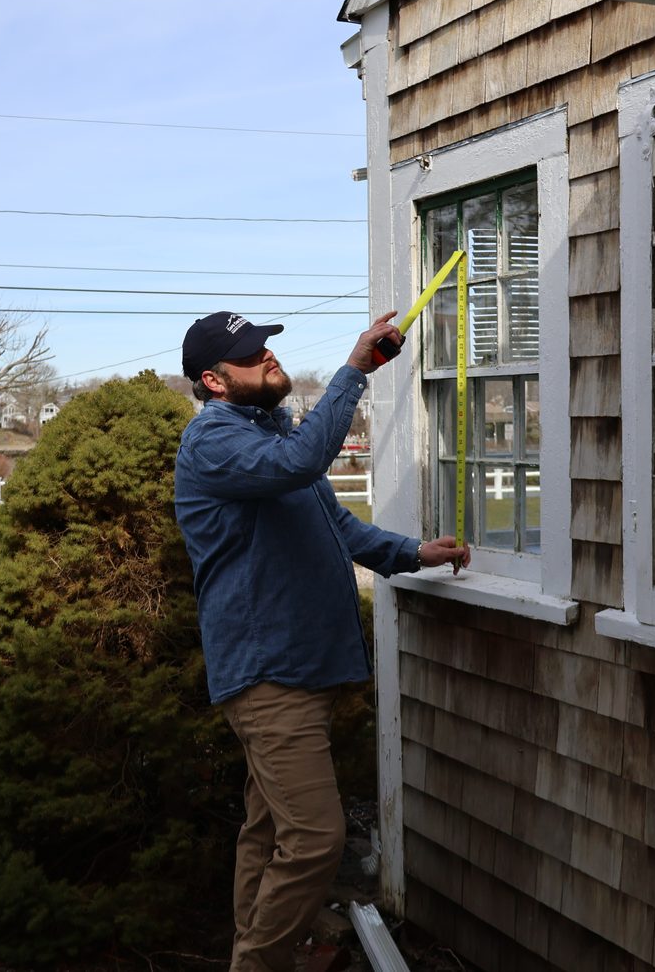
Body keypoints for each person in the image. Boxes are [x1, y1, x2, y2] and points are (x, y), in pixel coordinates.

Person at [173, 309, 470, 972]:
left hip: (301, 673)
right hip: (268, 679)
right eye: (252, 356)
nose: (269, 359)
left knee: (270, 831)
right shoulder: (215, 442)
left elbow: (339, 530)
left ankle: (252, 956)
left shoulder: (266, 438)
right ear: (214, 383)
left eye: (266, 348)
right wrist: (355, 371)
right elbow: (307, 457)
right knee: (314, 840)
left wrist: (413, 554)